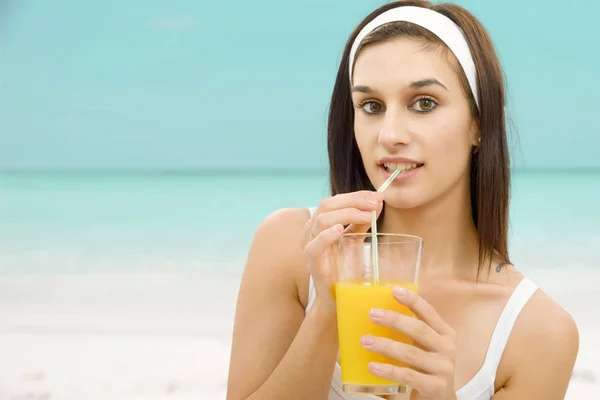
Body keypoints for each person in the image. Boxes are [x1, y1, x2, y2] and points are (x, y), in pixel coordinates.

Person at [226, 1, 579, 399]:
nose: (390, 134)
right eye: (371, 106)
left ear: (478, 124)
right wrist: (327, 313)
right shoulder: (291, 248)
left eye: (423, 103)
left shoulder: (539, 333)